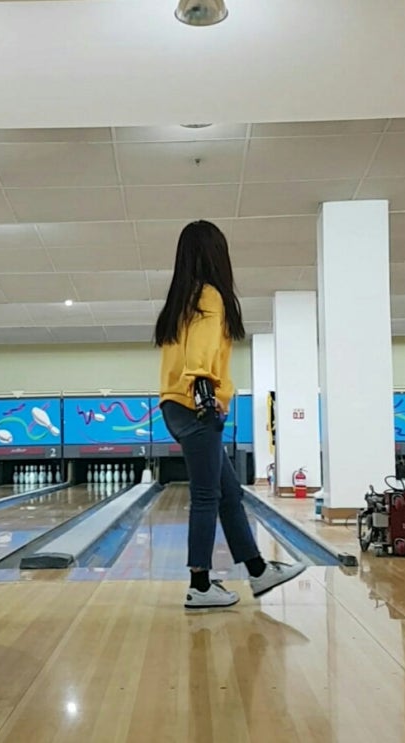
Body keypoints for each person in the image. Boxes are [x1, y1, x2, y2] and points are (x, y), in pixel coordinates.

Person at [154, 220, 306, 609]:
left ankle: (257, 570)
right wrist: (204, 389)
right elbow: (200, 351)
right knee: (207, 496)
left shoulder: (180, 302)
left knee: (229, 493)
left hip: (175, 404)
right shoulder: (209, 295)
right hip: (196, 404)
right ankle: (200, 585)